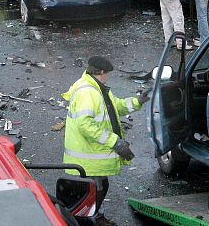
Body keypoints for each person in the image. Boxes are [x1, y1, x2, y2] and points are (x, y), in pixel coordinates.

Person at [62, 56, 148, 224]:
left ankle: (92, 217)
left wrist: (138, 101)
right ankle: (88, 220)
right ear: (101, 72)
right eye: (107, 73)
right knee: (96, 189)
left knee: (99, 187)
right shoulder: (88, 93)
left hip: (90, 151)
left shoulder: (97, 89)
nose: (108, 76)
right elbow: (85, 124)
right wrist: (114, 142)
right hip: (87, 153)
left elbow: (117, 106)